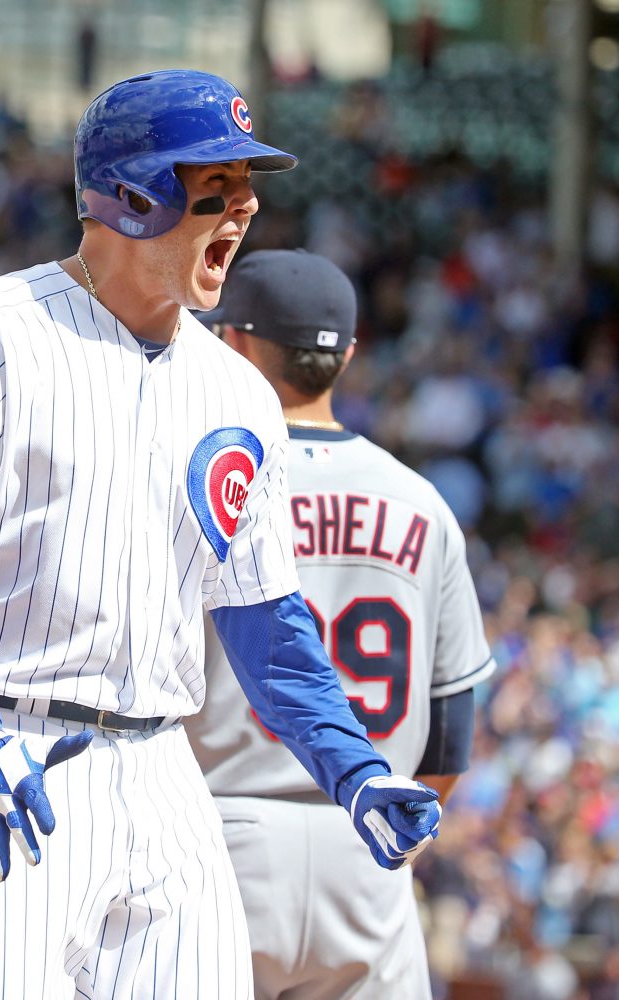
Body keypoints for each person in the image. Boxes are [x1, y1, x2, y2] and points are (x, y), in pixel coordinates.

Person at [0, 69, 440, 1000]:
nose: (244, 210)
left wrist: (353, 767)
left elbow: (265, 620)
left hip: (164, 771)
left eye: (249, 187)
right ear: (131, 197)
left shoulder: (235, 390)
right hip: (2, 750)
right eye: (217, 188)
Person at [186, 249, 495, 999]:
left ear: (234, 343)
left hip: (218, 835)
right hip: (369, 845)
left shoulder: (202, 482)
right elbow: (451, 731)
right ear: (347, 355)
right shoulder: (423, 501)